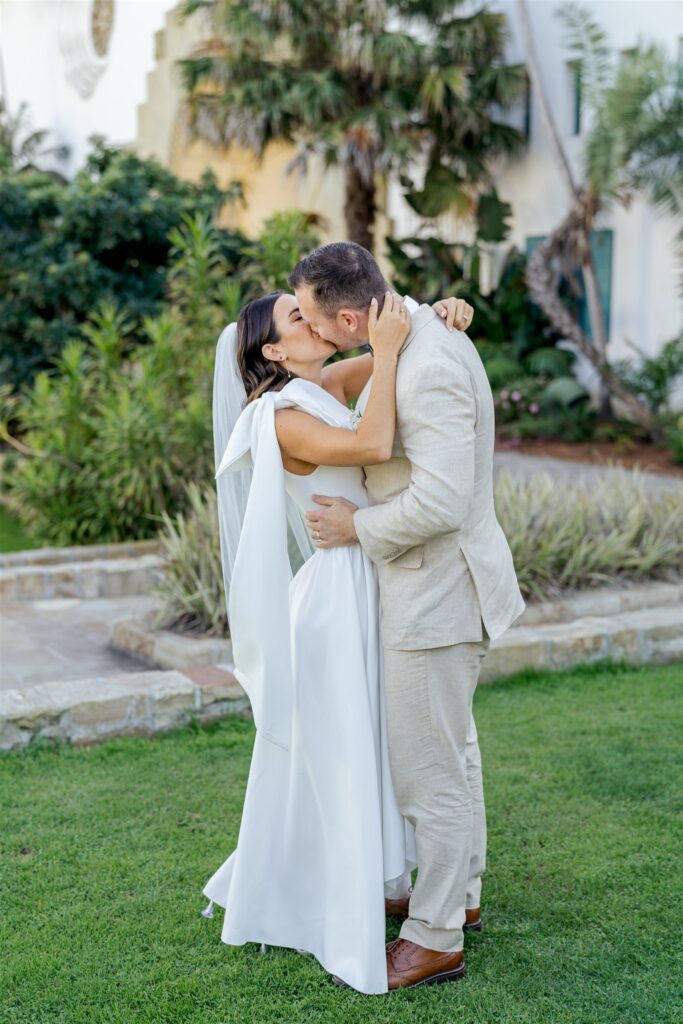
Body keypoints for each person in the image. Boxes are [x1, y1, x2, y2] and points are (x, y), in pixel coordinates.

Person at [202, 284, 476, 994]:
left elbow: (397, 352)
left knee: (394, 742)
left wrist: (437, 311)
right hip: (337, 596)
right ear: (273, 350)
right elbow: (372, 445)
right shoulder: (280, 418)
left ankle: (422, 884)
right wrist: (384, 348)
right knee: (344, 751)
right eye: (298, 317)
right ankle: (329, 889)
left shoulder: (323, 385)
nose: (315, 320)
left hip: (373, 576)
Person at [290, 242, 526, 990]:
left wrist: (355, 527)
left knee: (429, 775)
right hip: (433, 588)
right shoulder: (419, 335)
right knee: (451, 754)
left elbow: (442, 500)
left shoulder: (429, 364)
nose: (313, 332)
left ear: (350, 319)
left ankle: (434, 937)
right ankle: (460, 895)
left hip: (438, 593)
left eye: (317, 322)